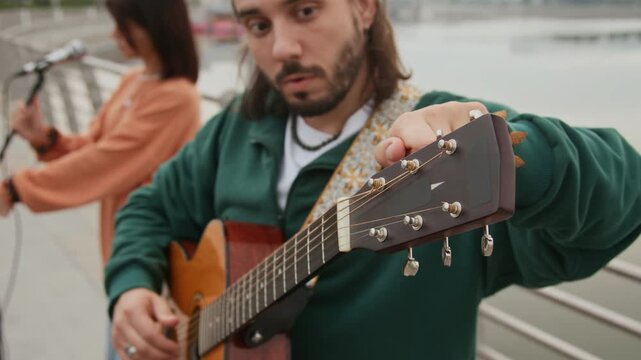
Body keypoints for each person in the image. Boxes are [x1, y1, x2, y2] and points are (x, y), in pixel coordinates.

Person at [104, 0, 641, 359]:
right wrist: (129, 287)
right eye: (258, 24)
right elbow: (149, 207)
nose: (282, 48)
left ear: (363, 6)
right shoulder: (234, 132)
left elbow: (626, 195)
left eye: (305, 9)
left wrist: (523, 161)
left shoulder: (436, 145)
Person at [0, 0, 200, 266]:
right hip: (120, 235)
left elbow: (108, 161)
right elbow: (94, 147)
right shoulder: (134, 79)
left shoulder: (177, 97)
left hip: (152, 246)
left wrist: (16, 189)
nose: (114, 33)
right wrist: (44, 138)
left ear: (154, 26)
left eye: (124, 25)